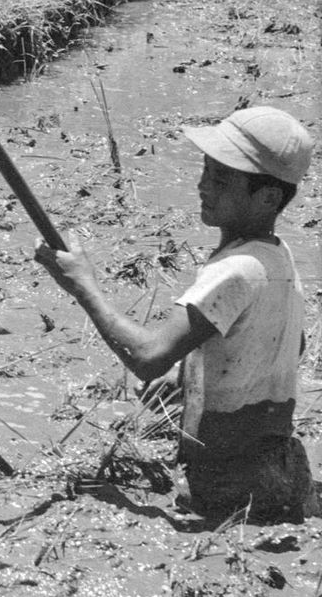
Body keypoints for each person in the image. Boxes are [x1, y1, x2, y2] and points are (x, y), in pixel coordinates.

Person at [34, 106, 318, 523]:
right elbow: (290, 345)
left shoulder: (234, 270)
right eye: (205, 171)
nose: (204, 186)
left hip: (223, 483)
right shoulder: (278, 257)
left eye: (222, 180)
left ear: (269, 197)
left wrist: (83, 285)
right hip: (282, 468)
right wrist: (188, 376)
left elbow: (147, 358)